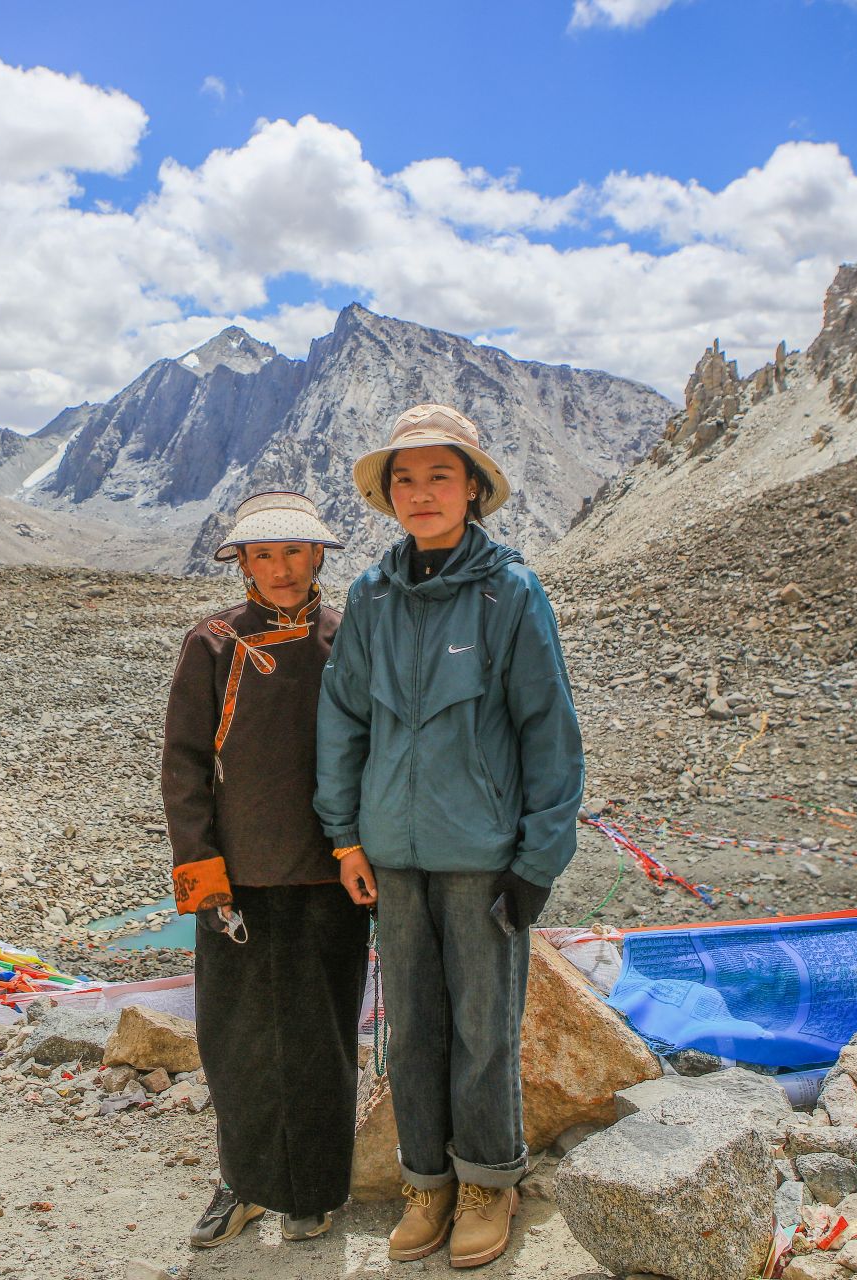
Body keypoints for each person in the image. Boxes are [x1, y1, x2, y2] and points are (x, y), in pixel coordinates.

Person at [315, 403, 584, 1269]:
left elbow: (549, 732)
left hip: (482, 861)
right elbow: (343, 722)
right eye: (405, 477)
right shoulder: (371, 595)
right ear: (388, 494)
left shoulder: (512, 592)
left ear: (473, 489)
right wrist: (346, 839)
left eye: (440, 475)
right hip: (394, 856)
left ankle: (487, 1182)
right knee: (414, 1028)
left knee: (483, 1026)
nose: (421, 492)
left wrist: (536, 862)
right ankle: (424, 1181)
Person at [160, 490, 371, 1249]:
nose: (281, 570)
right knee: (235, 1039)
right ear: (243, 563)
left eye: (295, 552)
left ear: (319, 557)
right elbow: (183, 769)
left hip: (331, 877)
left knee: (324, 1038)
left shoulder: (350, 640)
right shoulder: (213, 643)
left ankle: (313, 1191)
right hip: (239, 881)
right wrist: (202, 872)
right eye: (264, 555)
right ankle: (241, 1185)